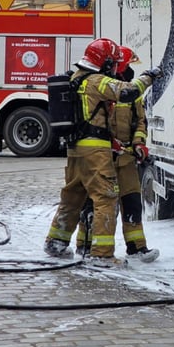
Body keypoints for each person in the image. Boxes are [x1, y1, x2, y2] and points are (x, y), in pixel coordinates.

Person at [43, 38, 161, 268]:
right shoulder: (96, 81)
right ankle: (102, 254)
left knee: (72, 197)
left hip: (75, 150)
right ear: (105, 62)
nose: (115, 68)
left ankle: (55, 243)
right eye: (113, 63)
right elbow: (128, 91)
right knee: (106, 198)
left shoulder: (75, 78)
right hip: (96, 151)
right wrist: (149, 76)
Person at [76, 46, 160, 263]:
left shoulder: (131, 93)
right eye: (128, 65)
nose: (130, 69)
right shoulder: (104, 88)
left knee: (132, 203)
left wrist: (139, 144)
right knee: (96, 203)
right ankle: (85, 246)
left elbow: (140, 122)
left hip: (126, 159)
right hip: (102, 158)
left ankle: (137, 247)